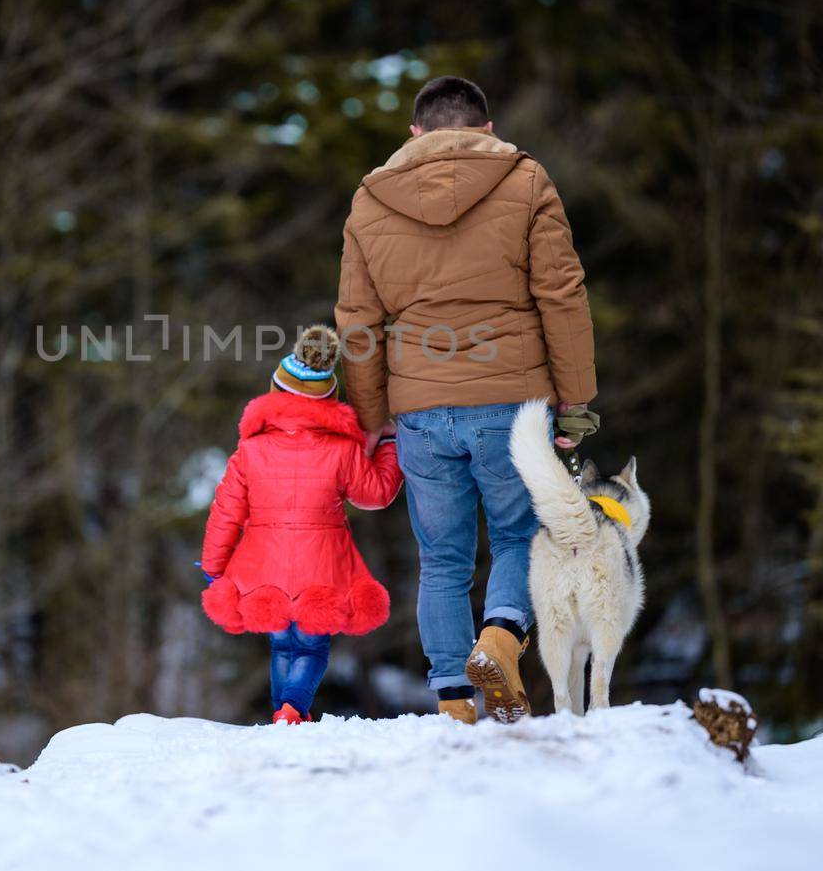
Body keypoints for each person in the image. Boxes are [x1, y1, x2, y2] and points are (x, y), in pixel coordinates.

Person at [334, 75, 600, 724]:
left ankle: (455, 702)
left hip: (420, 410)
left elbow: (358, 323)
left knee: (442, 557)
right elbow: (562, 295)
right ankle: (502, 638)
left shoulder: (372, 199)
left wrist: (373, 421)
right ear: (487, 130)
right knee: (520, 534)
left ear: (415, 135)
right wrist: (576, 402)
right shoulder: (527, 179)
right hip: (511, 400)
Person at [199, 325, 404, 723]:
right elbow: (375, 493)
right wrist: (391, 446)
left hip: (263, 565)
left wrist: (213, 565)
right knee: (311, 648)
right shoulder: (342, 449)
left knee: (281, 647)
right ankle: (292, 710)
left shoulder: (250, 450)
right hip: (322, 565)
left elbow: (226, 511)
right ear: (329, 400)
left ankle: (284, 713)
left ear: (274, 395)